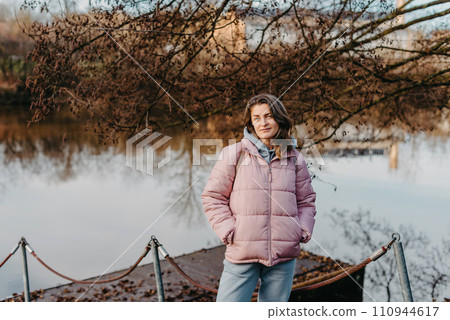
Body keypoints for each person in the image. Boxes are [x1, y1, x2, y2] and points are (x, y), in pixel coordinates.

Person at [201, 93, 317, 302]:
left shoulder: (295, 158)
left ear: (279, 118)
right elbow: (213, 196)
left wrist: (302, 228)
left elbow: (306, 201)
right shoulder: (234, 154)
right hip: (243, 251)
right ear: (250, 123)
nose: (263, 123)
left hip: (284, 255)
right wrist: (228, 229)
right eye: (257, 118)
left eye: (268, 116)